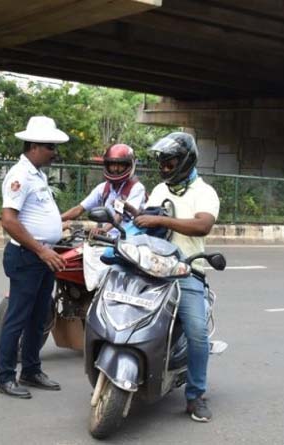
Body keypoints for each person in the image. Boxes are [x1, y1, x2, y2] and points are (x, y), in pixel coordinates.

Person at [131, 132, 220, 423]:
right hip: (152, 268)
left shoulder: (204, 192)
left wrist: (159, 219)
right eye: (163, 163)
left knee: (197, 333)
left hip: (186, 271)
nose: (164, 168)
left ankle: (195, 396)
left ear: (185, 161)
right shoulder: (160, 189)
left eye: (169, 163)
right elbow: (148, 222)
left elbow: (202, 225)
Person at [0, 116, 68, 399]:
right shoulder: (20, 176)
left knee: (39, 317)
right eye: (50, 147)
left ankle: (31, 370)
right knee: (17, 318)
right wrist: (41, 249)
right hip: (28, 256)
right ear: (34, 146)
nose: (54, 152)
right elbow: (8, 220)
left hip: (43, 256)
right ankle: (5, 377)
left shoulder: (37, 174)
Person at [60, 143, 146, 229]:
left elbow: (120, 215)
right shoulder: (103, 188)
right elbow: (80, 209)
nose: (115, 168)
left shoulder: (137, 188)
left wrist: (104, 230)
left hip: (129, 235)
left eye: (121, 165)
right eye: (112, 164)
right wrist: (57, 219)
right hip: (106, 235)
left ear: (129, 165)